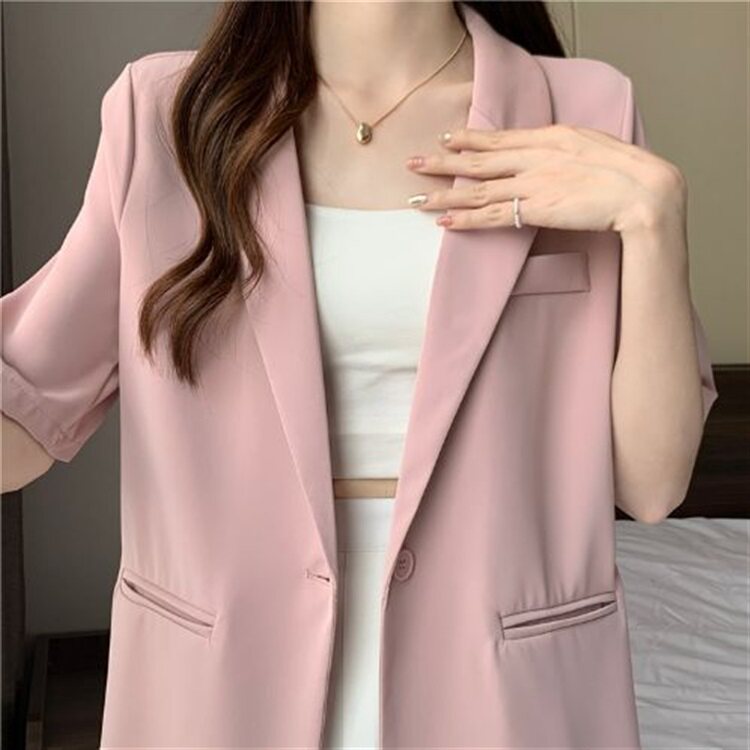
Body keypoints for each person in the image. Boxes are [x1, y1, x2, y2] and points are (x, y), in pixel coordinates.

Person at [1, 2, 718, 748]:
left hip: (504, 693)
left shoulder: (587, 109)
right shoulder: (166, 115)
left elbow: (653, 485)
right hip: (223, 686)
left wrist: (656, 221)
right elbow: (25, 414)